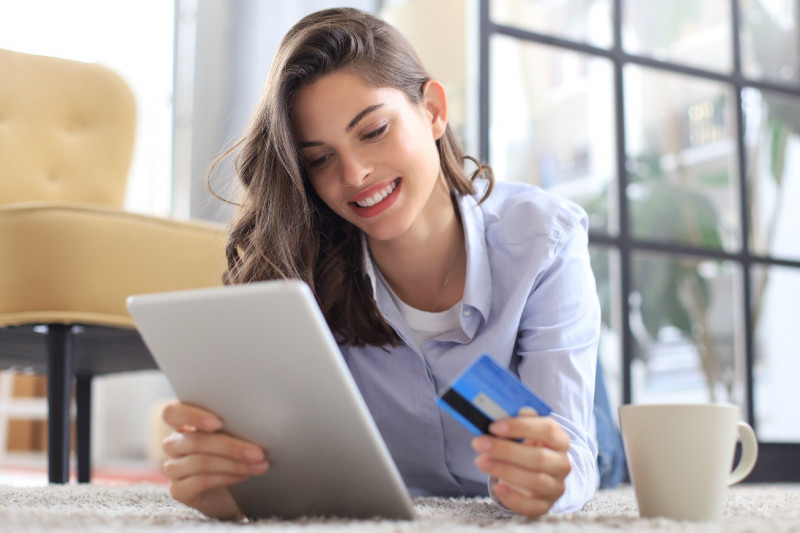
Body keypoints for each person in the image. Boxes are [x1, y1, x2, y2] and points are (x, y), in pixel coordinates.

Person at [160, 7, 626, 521]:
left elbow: (574, 453)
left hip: (574, 428)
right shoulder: (299, 278)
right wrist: (235, 481)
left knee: (591, 451)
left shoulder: (543, 238)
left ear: (432, 110)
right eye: (319, 158)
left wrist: (551, 481)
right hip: (408, 488)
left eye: (374, 130)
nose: (355, 174)